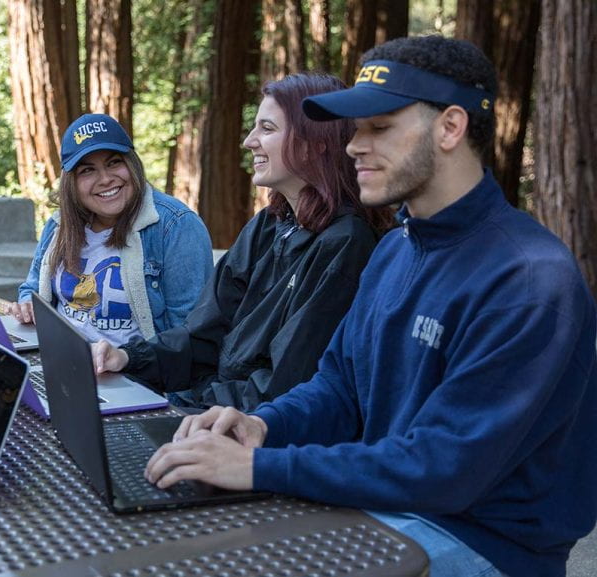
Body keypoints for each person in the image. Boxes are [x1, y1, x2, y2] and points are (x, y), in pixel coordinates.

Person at [143, 36, 596, 577]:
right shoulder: (396, 250)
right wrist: (263, 426)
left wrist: (260, 466)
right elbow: (338, 386)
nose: (355, 145)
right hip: (383, 505)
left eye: (379, 127)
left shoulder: (528, 280)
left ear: (450, 128)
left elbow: (442, 469)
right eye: (355, 128)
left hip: (479, 542)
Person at [92, 74, 392, 412]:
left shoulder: (345, 244)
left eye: (266, 129)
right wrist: (127, 358)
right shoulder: (269, 224)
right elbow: (202, 336)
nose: (250, 141)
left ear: (315, 142)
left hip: (246, 431)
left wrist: (185, 417)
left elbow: (283, 386)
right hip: (209, 409)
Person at [8, 113, 213, 346]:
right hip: (61, 358)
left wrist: (127, 361)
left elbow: (189, 334)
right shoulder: (59, 225)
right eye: (87, 170)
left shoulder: (176, 226)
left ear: (132, 164)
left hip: (135, 375)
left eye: (114, 162)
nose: (105, 179)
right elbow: (32, 287)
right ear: (71, 183)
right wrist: (26, 305)